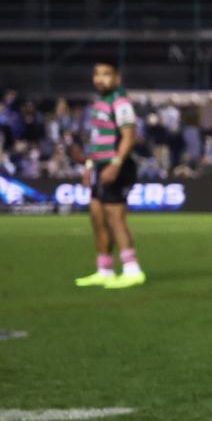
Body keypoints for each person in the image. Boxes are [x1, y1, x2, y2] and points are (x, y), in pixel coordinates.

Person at [73, 61, 146, 289]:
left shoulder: (120, 101)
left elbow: (129, 136)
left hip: (118, 165)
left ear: (117, 79)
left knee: (115, 216)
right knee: (97, 216)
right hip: (100, 165)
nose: (100, 79)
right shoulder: (100, 103)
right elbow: (97, 140)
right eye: (96, 74)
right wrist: (88, 165)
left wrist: (115, 164)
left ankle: (132, 270)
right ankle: (104, 270)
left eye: (106, 74)